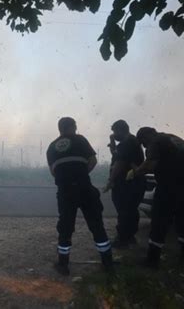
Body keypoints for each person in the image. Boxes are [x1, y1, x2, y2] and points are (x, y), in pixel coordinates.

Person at [47, 117, 113, 275]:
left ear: (59, 129)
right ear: (73, 127)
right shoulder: (80, 140)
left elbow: (53, 172)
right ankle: (108, 263)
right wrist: (81, 174)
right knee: (96, 225)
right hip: (84, 188)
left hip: (65, 191)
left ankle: (63, 265)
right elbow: (93, 160)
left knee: (65, 228)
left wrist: (67, 179)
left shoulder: (51, 147)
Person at [127, 127, 184, 268]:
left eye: (143, 143)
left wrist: (136, 171)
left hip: (169, 188)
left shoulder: (156, 142)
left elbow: (150, 165)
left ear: (146, 137)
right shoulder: (176, 139)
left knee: (159, 220)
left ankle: (152, 260)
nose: (145, 147)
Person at [104, 120, 146, 248]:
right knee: (131, 210)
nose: (114, 135)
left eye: (114, 132)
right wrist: (112, 142)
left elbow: (119, 163)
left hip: (126, 184)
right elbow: (116, 155)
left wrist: (111, 181)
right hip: (135, 182)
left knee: (124, 210)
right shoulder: (132, 142)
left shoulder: (127, 143)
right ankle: (129, 237)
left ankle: (122, 239)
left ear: (121, 130)